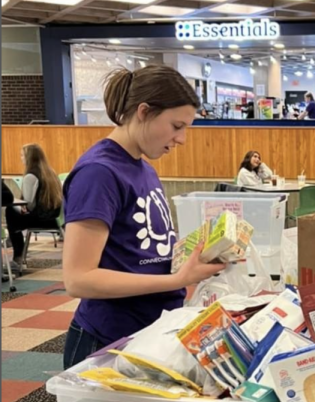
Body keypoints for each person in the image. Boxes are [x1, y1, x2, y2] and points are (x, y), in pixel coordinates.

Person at [62, 66, 225, 369]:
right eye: (177, 126)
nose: (182, 139)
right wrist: (176, 279)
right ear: (144, 111)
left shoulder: (142, 166)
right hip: (106, 341)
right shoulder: (99, 173)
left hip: (146, 334)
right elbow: (78, 279)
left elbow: (143, 254)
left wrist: (196, 257)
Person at [5, 144, 63, 275]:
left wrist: (15, 204)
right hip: (55, 218)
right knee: (13, 216)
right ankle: (12, 236)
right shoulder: (51, 172)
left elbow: (28, 205)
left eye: (22, 155)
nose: (21, 159)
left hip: (41, 219)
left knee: (10, 211)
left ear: (29, 158)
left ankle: (17, 255)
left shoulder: (31, 176)